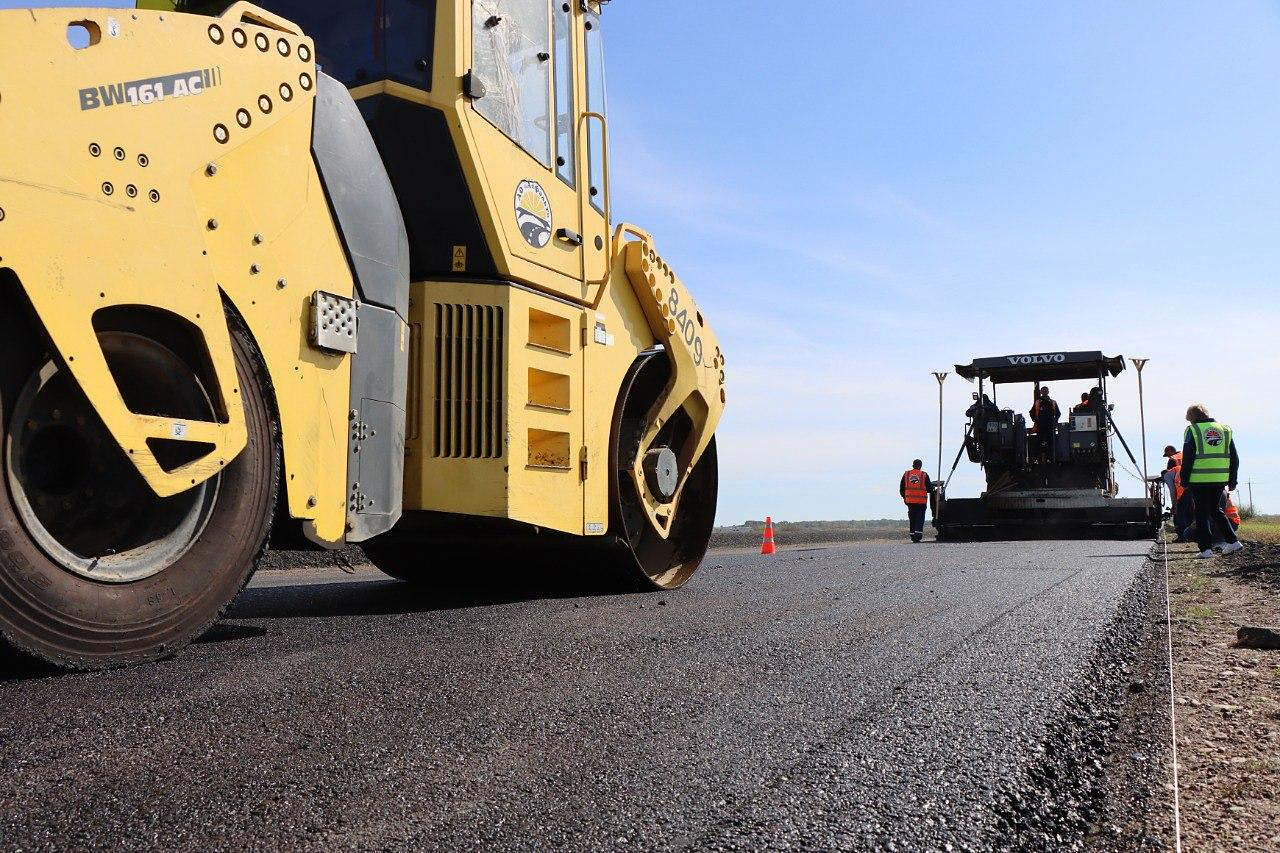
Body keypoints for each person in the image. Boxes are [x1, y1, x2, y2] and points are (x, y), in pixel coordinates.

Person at [1179, 403, 1242, 558]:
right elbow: (1234, 457)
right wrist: (1232, 479)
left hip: (1199, 479)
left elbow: (1187, 458)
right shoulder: (1225, 430)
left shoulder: (1193, 431)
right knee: (1215, 510)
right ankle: (1233, 541)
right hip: (1219, 479)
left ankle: (1205, 550)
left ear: (1192, 418)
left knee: (1201, 513)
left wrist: (1184, 479)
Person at [1163, 444, 1193, 541]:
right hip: (1193, 486)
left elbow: (1172, 485)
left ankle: (1182, 536)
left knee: (1179, 513)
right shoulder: (1185, 455)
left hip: (1180, 489)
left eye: (1167, 454)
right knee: (1190, 512)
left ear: (1171, 451)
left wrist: (1174, 504)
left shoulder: (1172, 461)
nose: (1167, 456)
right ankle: (1190, 535)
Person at [900, 460, 934, 544]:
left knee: (912, 518)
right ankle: (917, 536)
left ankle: (912, 535)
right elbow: (929, 489)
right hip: (921, 501)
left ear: (913, 465)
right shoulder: (923, 475)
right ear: (920, 466)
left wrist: (904, 497)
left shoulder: (906, 474)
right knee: (919, 518)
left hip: (910, 501)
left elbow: (902, 488)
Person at [1030, 387, 1060, 462]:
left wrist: (1055, 421)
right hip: (1040, 426)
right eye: (1043, 390)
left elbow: (1058, 413)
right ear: (1040, 392)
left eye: (1046, 390)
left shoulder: (1053, 402)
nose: (1044, 392)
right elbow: (1031, 412)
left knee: (1051, 443)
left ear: (1048, 392)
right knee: (1039, 442)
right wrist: (1035, 420)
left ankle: (1051, 458)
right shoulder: (1037, 402)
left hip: (1050, 426)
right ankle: (1039, 459)